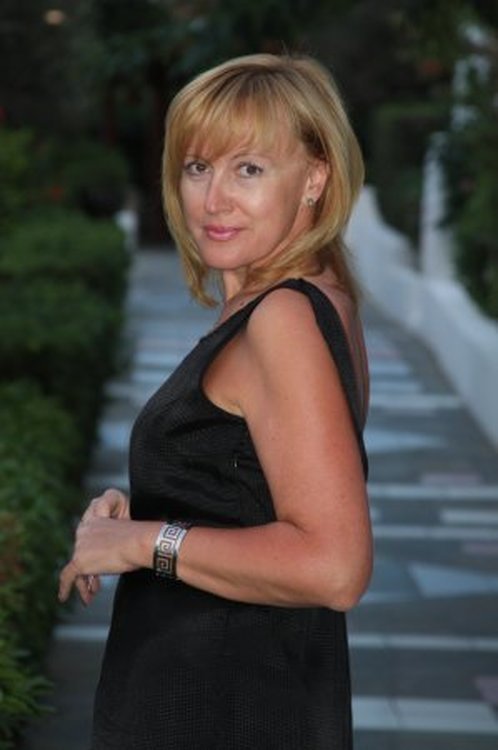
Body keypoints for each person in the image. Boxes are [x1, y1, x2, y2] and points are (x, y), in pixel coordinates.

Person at [59, 52, 372, 750]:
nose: (213, 199)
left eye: (249, 169)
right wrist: (157, 509)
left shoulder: (282, 319)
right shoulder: (317, 298)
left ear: (315, 178)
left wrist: (144, 542)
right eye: (198, 167)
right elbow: (254, 490)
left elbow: (335, 567)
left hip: (224, 707)